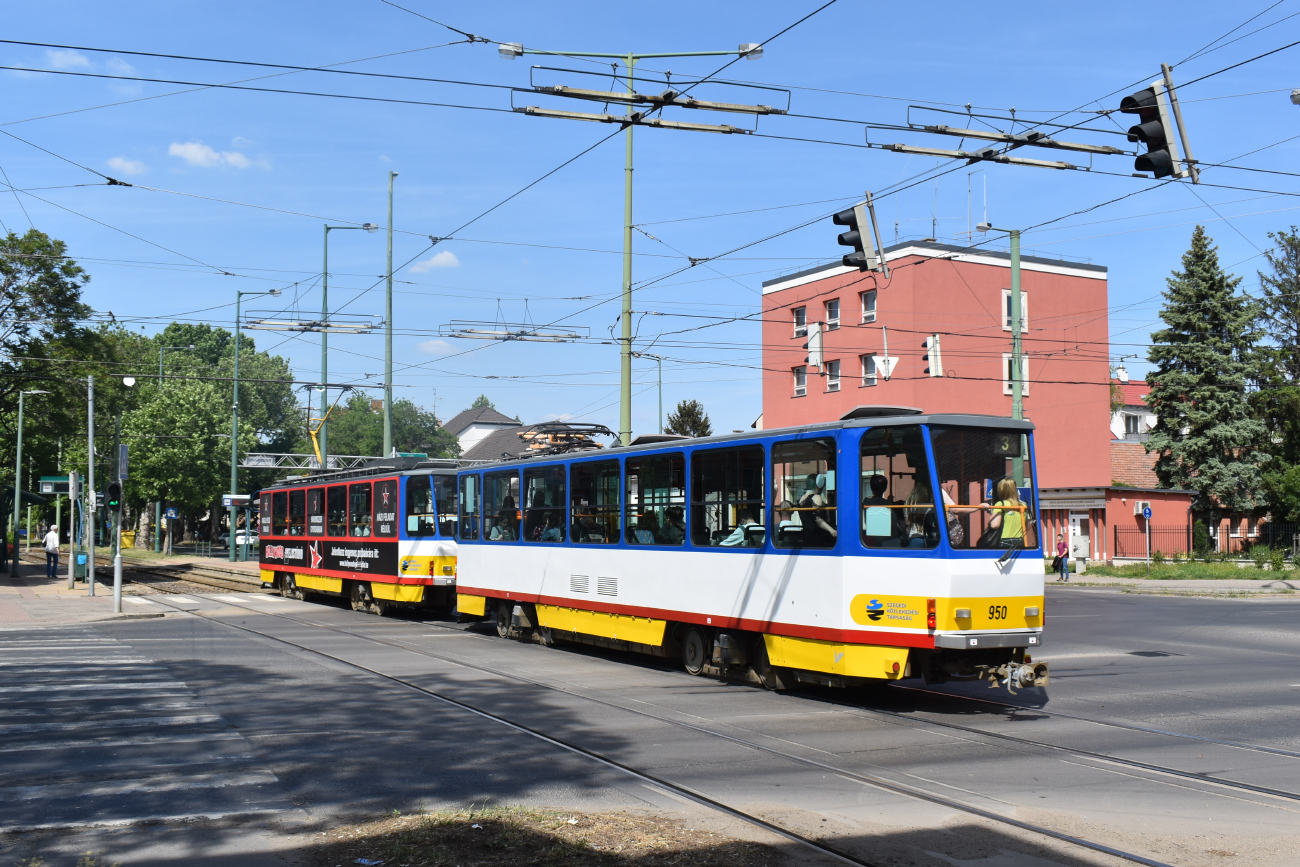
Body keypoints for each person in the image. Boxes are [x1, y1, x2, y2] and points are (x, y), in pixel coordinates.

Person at [987, 478, 1026, 546]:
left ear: (1001, 490)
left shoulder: (1000, 504)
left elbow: (995, 525)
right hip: (1020, 541)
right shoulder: (1023, 505)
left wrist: (990, 519)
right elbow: (1027, 525)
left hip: (1005, 540)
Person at [861, 474, 894, 539]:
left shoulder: (866, 501)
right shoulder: (887, 503)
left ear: (871, 487)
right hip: (886, 536)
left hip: (871, 536)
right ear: (885, 488)